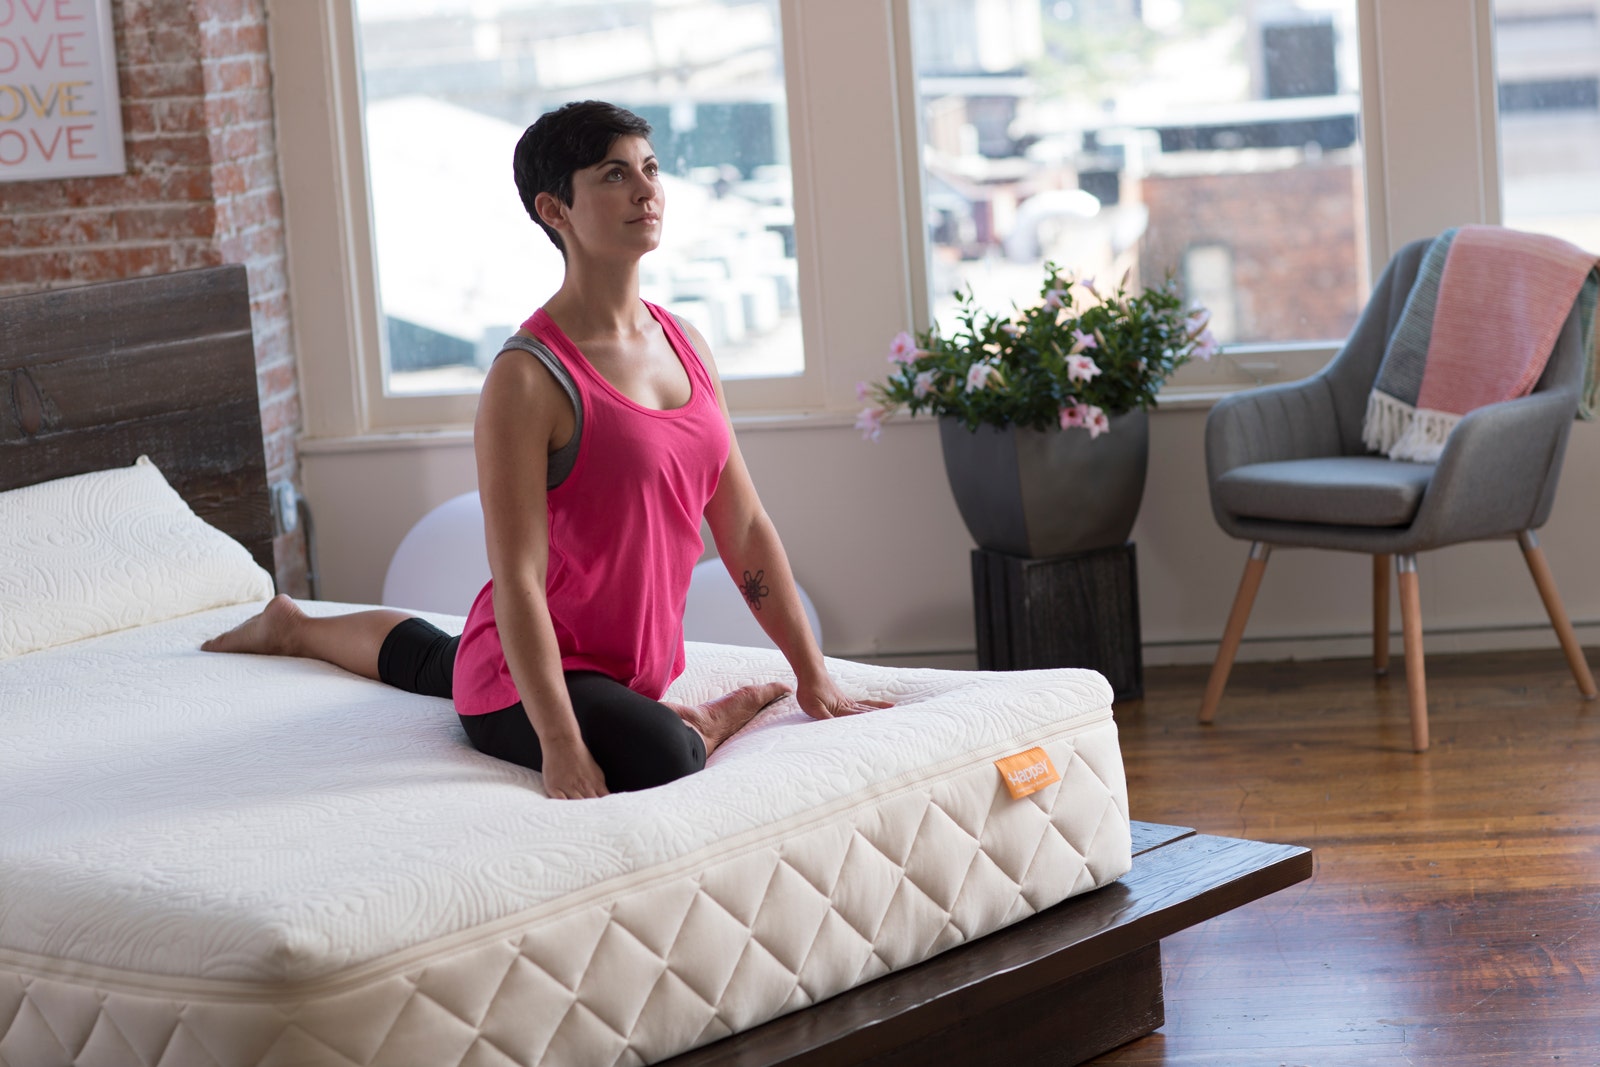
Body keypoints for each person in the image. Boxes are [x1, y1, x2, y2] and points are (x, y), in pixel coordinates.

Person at [204, 100, 890, 799]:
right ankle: (708, 721)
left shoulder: (686, 343)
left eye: (650, 169)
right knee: (665, 753)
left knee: (445, 657)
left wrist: (812, 672)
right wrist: (561, 744)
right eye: (613, 175)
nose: (645, 189)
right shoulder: (528, 377)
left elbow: (743, 527)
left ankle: (294, 625)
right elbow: (520, 580)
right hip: (533, 677)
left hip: (615, 661)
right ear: (554, 209)